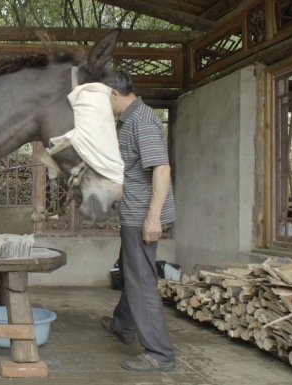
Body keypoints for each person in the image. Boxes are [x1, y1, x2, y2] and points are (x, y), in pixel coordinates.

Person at [99, 67, 177, 372]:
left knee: (141, 279)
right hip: (134, 212)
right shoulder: (129, 118)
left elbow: (162, 169)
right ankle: (123, 325)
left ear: (114, 94)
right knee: (132, 269)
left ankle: (159, 353)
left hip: (143, 215)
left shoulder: (141, 120)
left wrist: (153, 219)